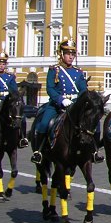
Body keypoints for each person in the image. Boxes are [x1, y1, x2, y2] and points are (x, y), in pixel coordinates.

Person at [31, 36, 91, 164]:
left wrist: (82, 98)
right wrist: (61, 100)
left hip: (74, 105)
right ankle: (39, 151)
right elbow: (50, 88)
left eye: (73, 54)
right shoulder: (54, 70)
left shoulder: (78, 72)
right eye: (68, 54)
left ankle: (93, 151)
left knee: (90, 124)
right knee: (44, 123)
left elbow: (83, 89)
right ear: (61, 54)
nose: (71, 57)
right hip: (57, 106)